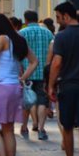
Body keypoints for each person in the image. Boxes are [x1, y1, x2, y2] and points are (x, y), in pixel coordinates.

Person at [0, 13, 37, 156]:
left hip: (1, 86)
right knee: (8, 128)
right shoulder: (19, 39)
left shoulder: (2, 39)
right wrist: (22, 78)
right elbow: (34, 61)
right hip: (15, 86)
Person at [48, 2, 79, 156]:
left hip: (68, 85)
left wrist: (50, 86)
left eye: (58, 17)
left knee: (68, 126)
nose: (57, 21)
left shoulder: (61, 37)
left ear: (66, 16)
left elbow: (56, 63)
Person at [19, 9, 53, 140]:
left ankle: (24, 126)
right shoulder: (47, 32)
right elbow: (54, 49)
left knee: (26, 101)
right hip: (44, 73)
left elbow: (19, 54)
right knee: (42, 101)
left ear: (26, 20)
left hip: (27, 72)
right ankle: (41, 129)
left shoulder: (22, 33)